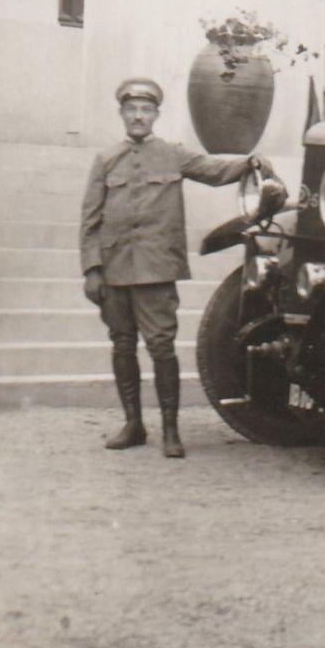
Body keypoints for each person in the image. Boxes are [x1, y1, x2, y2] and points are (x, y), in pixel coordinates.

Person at [81, 78, 272, 458]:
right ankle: (133, 423)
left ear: (156, 115)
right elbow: (90, 219)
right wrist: (92, 269)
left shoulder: (172, 154)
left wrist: (248, 163)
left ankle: (170, 429)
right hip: (115, 269)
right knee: (122, 345)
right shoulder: (105, 159)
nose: (138, 116)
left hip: (156, 269)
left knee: (161, 347)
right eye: (131, 109)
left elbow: (213, 170)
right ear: (122, 114)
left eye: (145, 110)